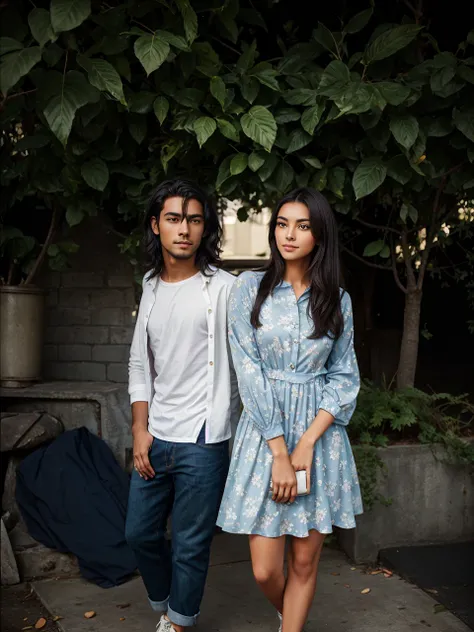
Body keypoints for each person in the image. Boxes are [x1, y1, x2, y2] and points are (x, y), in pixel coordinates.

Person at [217, 187, 363, 632]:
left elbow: (343, 377)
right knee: (265, 568)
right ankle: (291, 614)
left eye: (302, 226)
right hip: (265, 435)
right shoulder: (248, 289)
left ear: (319, 235)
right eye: (282, 224)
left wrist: (307, 444)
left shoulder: (337, 300)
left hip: (319, 439)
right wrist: (282, 452)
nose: (289, 234)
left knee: (304, 561)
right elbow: (249, 372)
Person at [125, 178, 240, 632]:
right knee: (139, 533)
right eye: (174, 219)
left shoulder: (225, 288)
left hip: (203, 440)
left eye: (194, 219)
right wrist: (139, 428)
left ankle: (177, 623)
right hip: (155, 436)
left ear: (204, 226)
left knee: (191, 543)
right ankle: (169, 603)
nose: (184, 229)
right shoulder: (151, 284)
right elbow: (139, 362)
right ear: (156, 226)